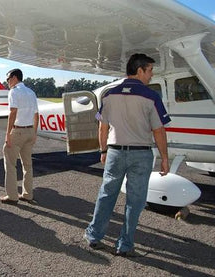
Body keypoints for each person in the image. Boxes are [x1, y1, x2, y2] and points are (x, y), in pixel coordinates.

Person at [84, 53, 171, 256]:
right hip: (141, 155)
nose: (151, 75)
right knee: (135, 201)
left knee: (106, 195)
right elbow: (159, 130)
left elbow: (102, 127)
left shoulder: (109, 94)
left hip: (115, 152)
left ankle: (94, 235)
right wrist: (165, 158)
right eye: (149, 71)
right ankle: (125, 244)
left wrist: (103, 150)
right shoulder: (151, 96)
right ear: (139, 70)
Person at [0, 69, 39, 204]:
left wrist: (8, 133)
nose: (7, 82)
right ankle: (28, 194)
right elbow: (36, 114)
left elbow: (13, 112)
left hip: (18, 132)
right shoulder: (31, 92)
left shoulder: (14, 92)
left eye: (8, 79)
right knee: (27, 165)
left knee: (10, 164)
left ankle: (12, 196)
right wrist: (34, 133)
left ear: (14, 78)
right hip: (29, 131)